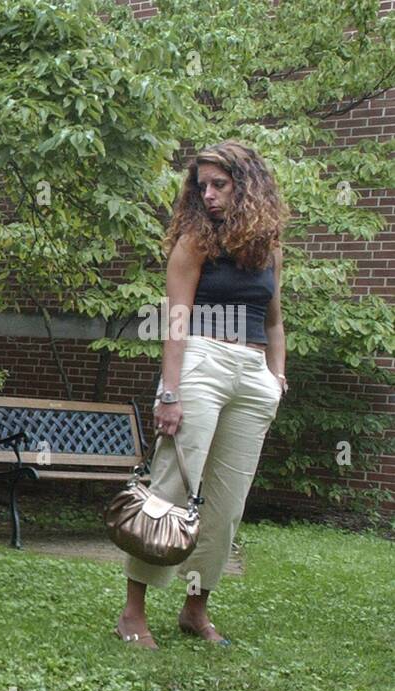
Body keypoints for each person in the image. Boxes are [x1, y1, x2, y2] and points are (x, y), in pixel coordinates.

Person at [116, 140, 289, 649]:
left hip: (251, 372)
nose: (208, 195)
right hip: (200, 363)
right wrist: (169, 391)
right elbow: (175, 321)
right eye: (202, 186)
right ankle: (133, 613)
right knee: (169, 491)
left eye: (220, 184)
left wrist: (276, 376)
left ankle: (196, 608)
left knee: (225, 504)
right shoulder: (194, 241)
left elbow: (276, 320)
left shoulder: (268, 247)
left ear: (248, 186)